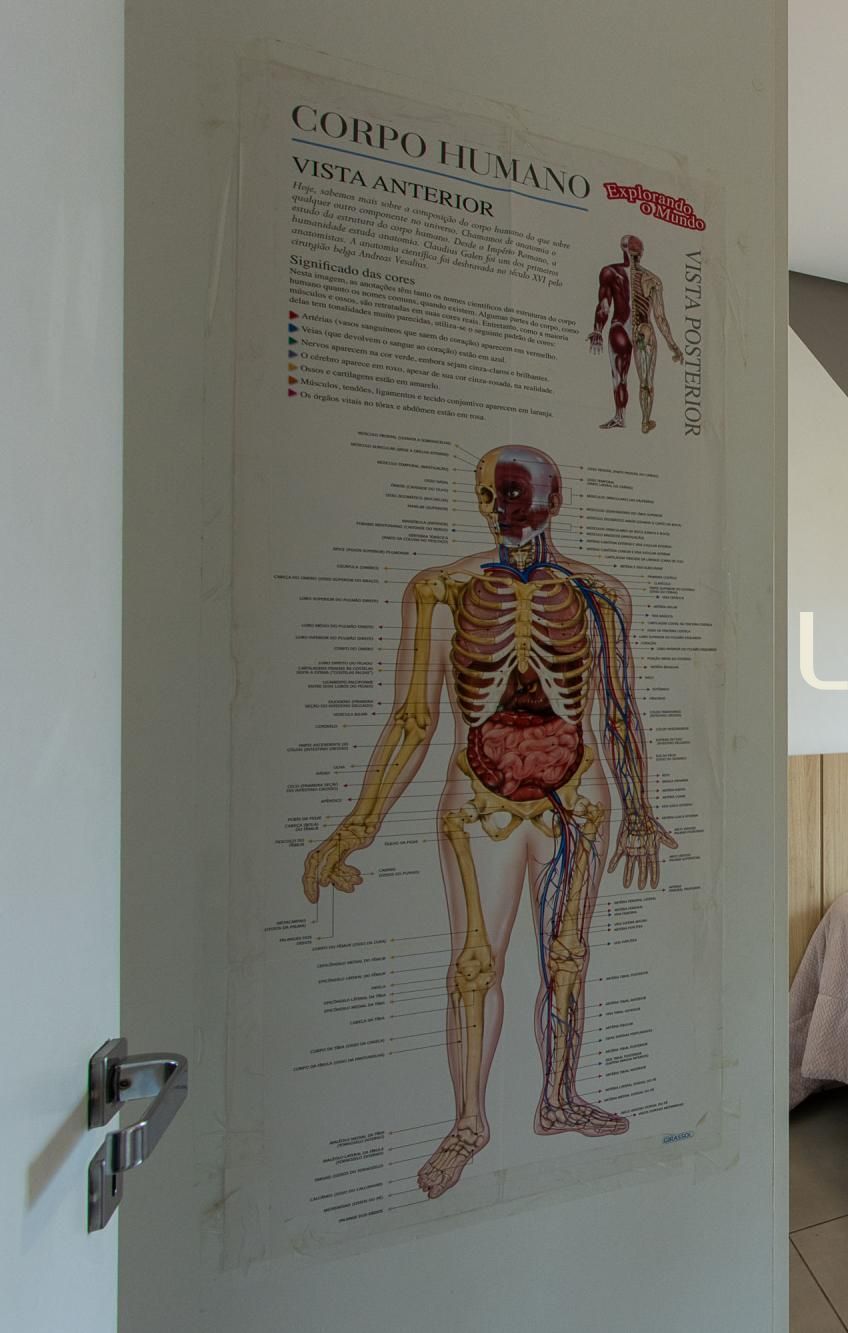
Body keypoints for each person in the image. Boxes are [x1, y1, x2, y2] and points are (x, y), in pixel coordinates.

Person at [302, 444, 676, 1198]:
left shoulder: (600, 594)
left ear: (553, 500)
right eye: (491, 495)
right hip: (479, 795)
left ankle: (557, 1097)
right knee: (476, 963)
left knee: (568, 955)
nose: (502, 510)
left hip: (577, 795)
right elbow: (413, 718)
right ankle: (470, 1123)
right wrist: (357, 826)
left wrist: (639, 808)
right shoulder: (441, 590)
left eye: (515, 494)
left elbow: (620, 709)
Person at [587, 233, 683, 432]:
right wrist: (673, 345)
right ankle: (645, 421)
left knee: (619, 378)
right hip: (643, 331)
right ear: (641, 253)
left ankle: (620, 416)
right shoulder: (652, 280)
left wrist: (597, 331)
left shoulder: (610, 272)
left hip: (620, 327)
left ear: (623, 250)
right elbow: (660, 318)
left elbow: (604, 305)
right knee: (646, 382)